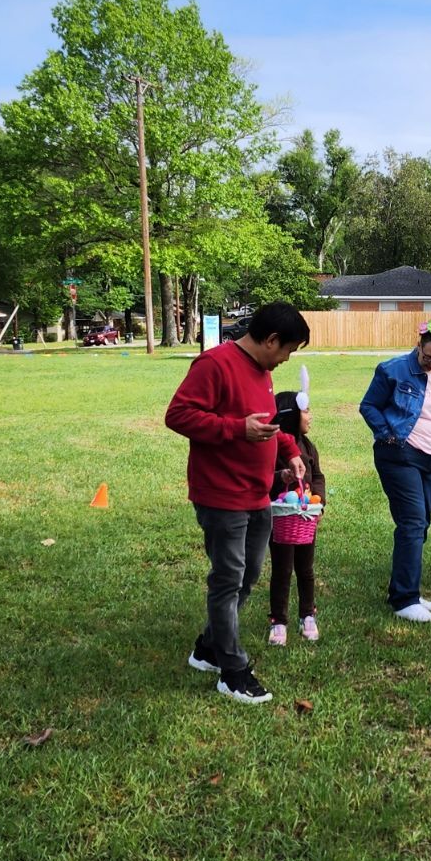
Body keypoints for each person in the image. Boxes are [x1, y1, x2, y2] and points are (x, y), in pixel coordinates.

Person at [164, 301, 309, 705]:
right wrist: (234, 429)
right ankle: (232, 670)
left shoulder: (261, 371)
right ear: (271, 340)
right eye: (287, 351)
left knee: (248, 576)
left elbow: (263, 421)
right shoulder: (215, 364)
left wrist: (288, 449)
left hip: (256, 492)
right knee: (228, 580)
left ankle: (208, 648)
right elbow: (177, 415)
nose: (285, 360)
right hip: (220, 493)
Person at [360, 322, 431, 623]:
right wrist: (387, 434)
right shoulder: (392, 370)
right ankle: (404, 598)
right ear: (419, 345)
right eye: (427, 357)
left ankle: (407, 590)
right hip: (400, 455)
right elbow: (369, 406)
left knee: (422, 522)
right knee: (412, 522)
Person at [267, 389, 325, 645]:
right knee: (282, 569)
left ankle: (307, 615)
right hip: (281, 521)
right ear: (290, 416)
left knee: (306, 569)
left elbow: (319, 477)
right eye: (306, 411)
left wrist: (319, 503)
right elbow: (264, 479)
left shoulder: (309, 446)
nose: (310, 416)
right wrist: (282, 477)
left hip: (304, 520)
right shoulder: (273, 447)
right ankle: (278, 620)